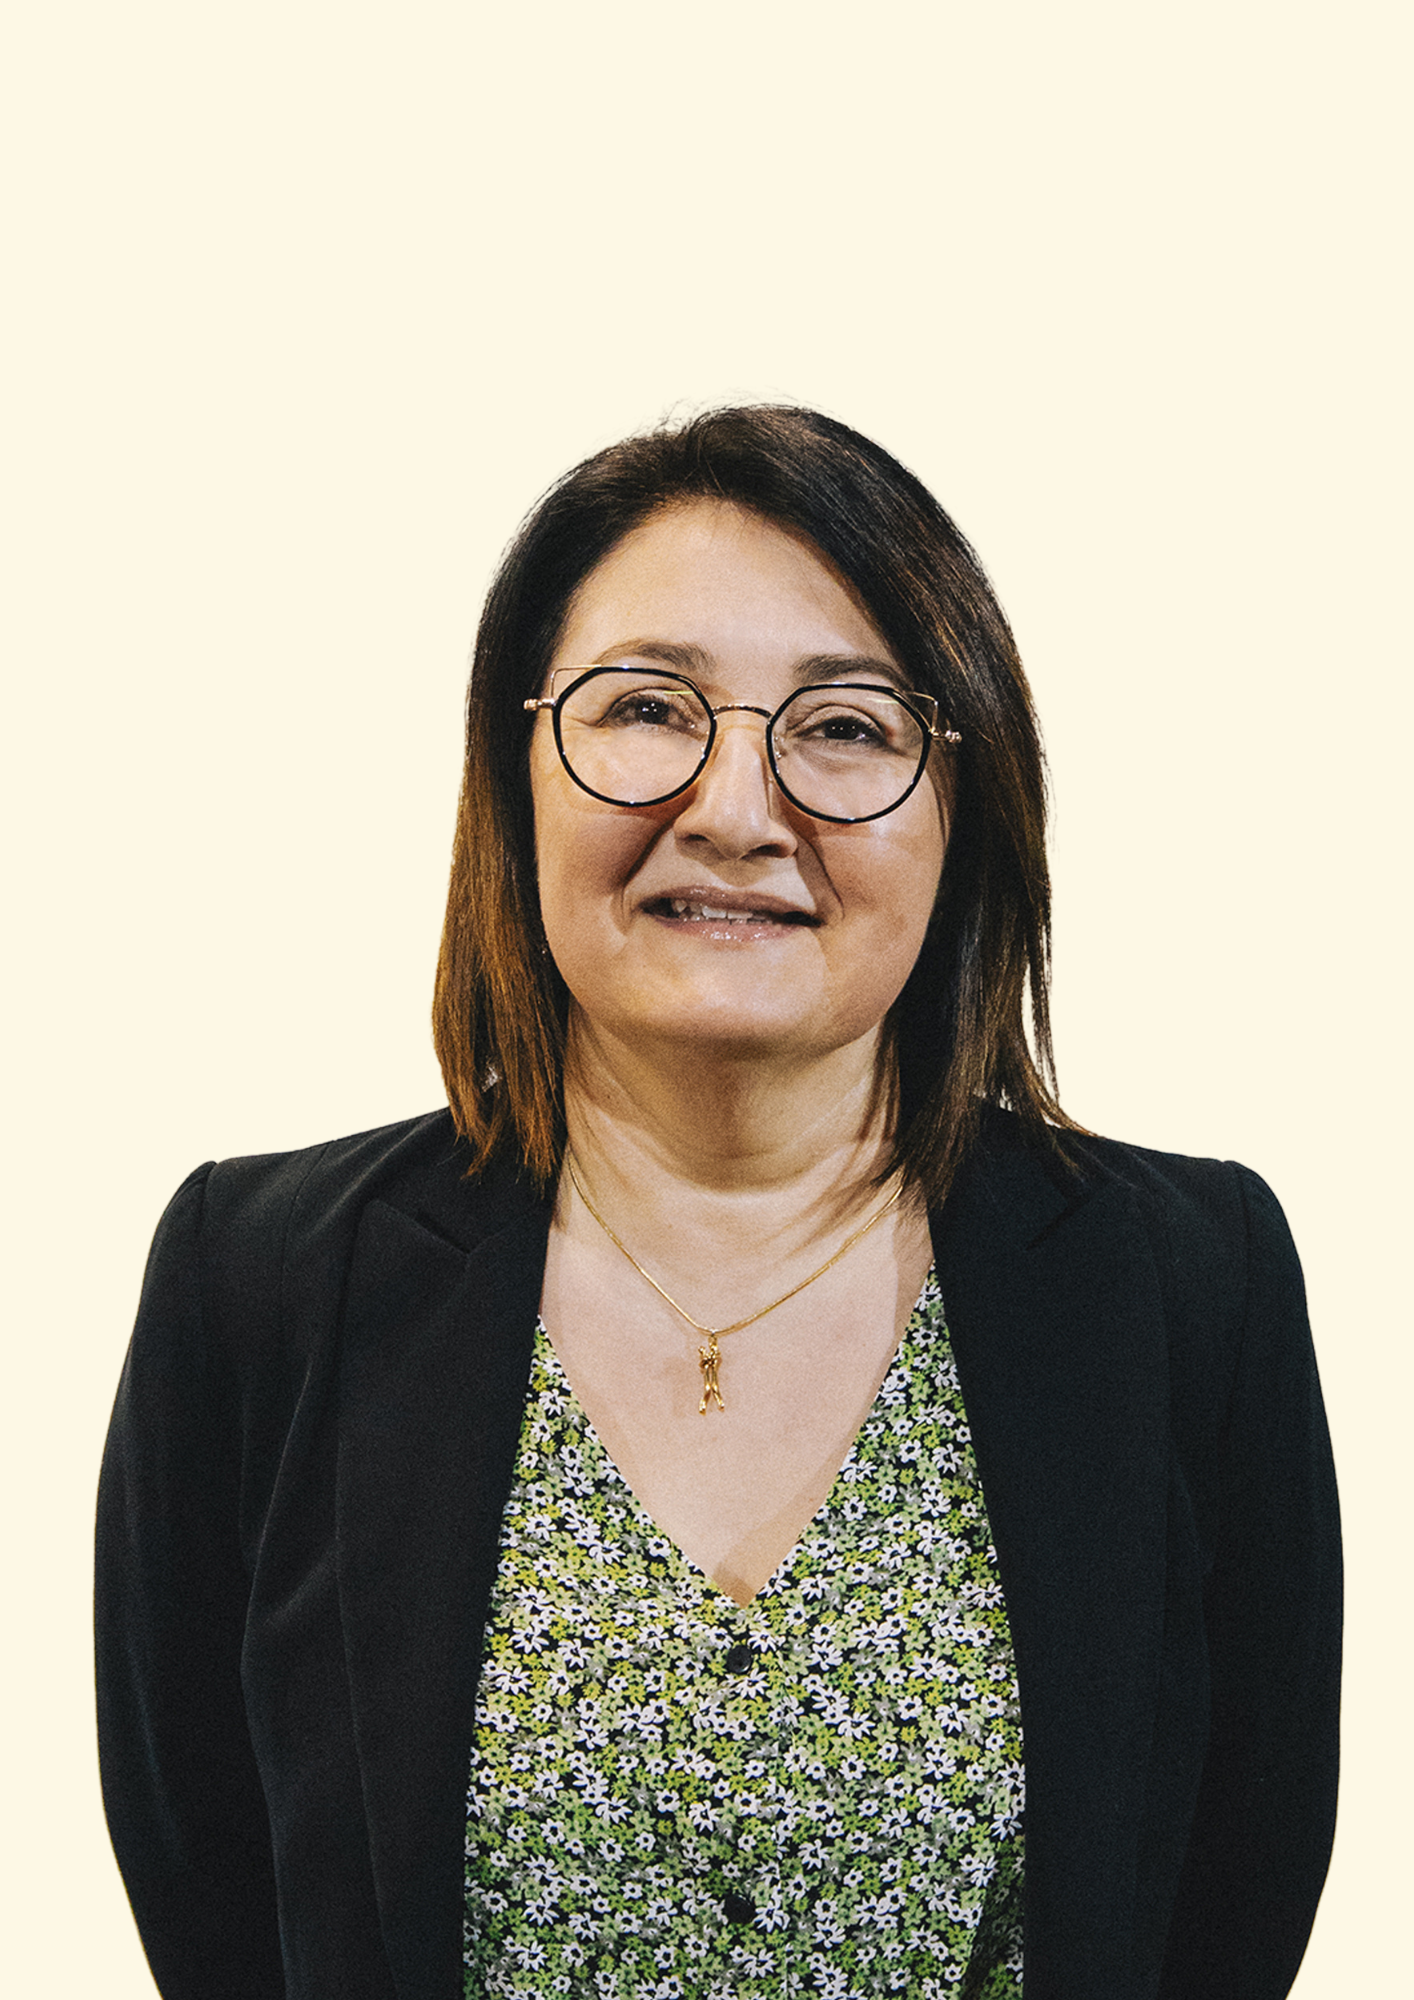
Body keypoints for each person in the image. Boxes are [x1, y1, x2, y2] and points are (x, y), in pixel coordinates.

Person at [96, 405, 1340, 2000]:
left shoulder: (1186, 1284)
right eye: (644, 709)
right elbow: (210, 1896)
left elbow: (1233, 1899)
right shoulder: (261, 1282)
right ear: (512, 774)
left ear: (962, 801)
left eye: (845, 727)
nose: (737, 811)